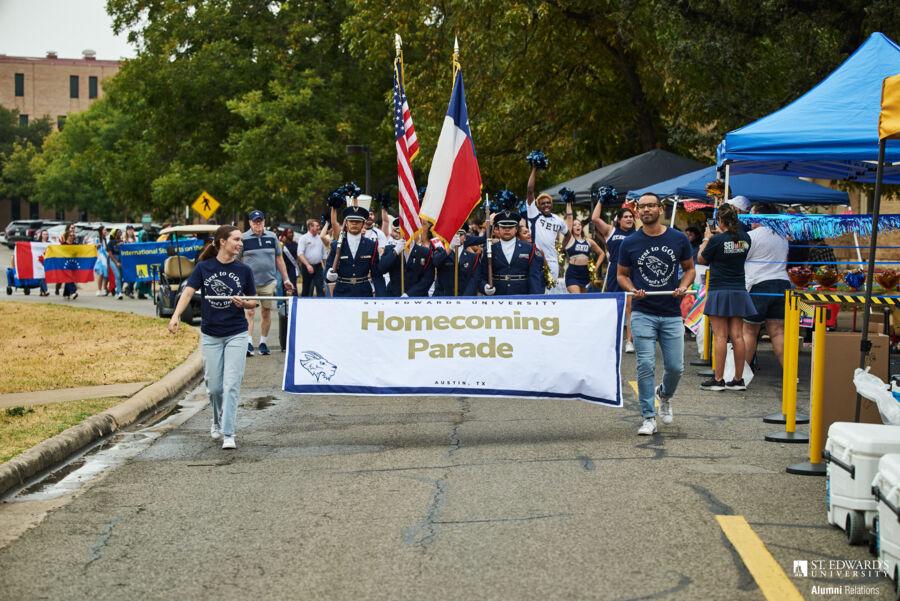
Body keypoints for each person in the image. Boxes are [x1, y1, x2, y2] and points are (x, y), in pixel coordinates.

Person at [168, 225, 257, 450]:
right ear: (222, 242)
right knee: (215, 387)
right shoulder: (204, 267)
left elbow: (253, 301)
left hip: (236, 333)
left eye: (240, 240)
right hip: (211, 335)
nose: (240, 243)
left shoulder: (244, 270)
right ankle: (216, 420)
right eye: (236, 239)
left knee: (231, 385)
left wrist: (243, 303)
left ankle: (229, 433)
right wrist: (176, 315)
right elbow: (188, 291)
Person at [617, 193, 694, 436]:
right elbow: (621, 275)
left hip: (671, 313)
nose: (646, 210)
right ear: (637, 211)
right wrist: (631, 290)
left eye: (651, 205)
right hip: (643, 313)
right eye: (642, 207)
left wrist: (683, 286)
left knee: (675, 368)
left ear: (660, 209)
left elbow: (690, 269)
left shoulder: (678, 238)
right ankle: (649, 417)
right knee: (645, 365)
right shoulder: (629, 243)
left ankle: (665, 395)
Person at [697, 203, 755, 391]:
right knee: (738, 336)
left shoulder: (716, 240)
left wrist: (706, 239)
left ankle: (719, 379)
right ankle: (738, 379)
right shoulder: (746, 238)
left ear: (721, 220)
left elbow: (701, 259)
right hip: (738, 289)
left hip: (719, 289)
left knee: (720, 336)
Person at [741, 203, 791, 373]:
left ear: (759, 216)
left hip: (759, 285)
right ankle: (791, 375)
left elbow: (740, 258)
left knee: (749, 331)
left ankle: (741, 375)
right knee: (778, 332)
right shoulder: (782, 236)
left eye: (752, 215)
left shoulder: (751, 236)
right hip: (782, 284)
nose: (750, 219)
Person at [241, 210, 294, 356]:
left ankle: (263, 342)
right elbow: (237, 261)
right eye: (255, 221)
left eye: (260, 221)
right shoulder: (243, 238)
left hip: (268, 281)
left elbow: (279, 258)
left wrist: (286, 279)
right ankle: (249, 343)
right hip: (249, 283)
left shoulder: (272, 237)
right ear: (250, 223)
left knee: (266, 312)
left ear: (264, 221)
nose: (258, 224)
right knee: (250, 312)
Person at [593, 203, 637, 352]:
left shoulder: (637, 234)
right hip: (614, 272)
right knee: (613, 306)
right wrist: (601, 200)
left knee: (630, 307)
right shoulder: (611, 231)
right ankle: (611, 339)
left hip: (631, 272)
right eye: (626, 217)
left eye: (631, 216)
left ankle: (629, 341)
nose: (629, 219)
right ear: (619, 220)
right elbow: (594, 218)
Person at [471, 210, 545, 296]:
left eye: (510, 227)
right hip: (498, 297)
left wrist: (535, 298)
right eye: (503, 227)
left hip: (522, 296)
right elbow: (481, 276)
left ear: (516, 229)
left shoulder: (530, 249)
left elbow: (535, 276)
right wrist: (484, 287)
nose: (507, 230)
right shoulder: (489, 249)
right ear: (498, 229)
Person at [525, 167, 568, 290]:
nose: (546, 205)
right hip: (536, 259)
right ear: (538, 206)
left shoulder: (558, 219)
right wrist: (534, 168)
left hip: (553, 261)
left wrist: (561, 250)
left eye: (548, 202)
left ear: (552, 204)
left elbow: (568, 234)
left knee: (549, 293)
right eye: (542, 203)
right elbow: (529, 190)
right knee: (536, 291)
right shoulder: (534, 214)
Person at [325, 206, 380, 297]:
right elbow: (328, 268)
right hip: (342, 292)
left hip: (363, 292)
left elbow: (376, 273)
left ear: (363, 223)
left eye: (358, 221)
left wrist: (381, 296)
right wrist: (329, 274)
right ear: (346, 223)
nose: (354, 224)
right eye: (351, 221)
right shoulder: (336, 245)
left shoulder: (371, 245)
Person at [378, 218, 435, 297]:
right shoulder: (390, 249)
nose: (405, 234)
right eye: (402, 231)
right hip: (394, 296)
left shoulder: (424, 252)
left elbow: (428, 278)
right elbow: (381, 269)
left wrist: (409, 294)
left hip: (417, 298)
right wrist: (395, 251)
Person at [563, 201, 605, 293]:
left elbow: (602, 253)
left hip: (585, 273)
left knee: (583, 300)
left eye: (579, 224)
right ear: (572, 228)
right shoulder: (570, 239)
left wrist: (596, 267)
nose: (577, 226)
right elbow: (569, 218)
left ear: (581, 227)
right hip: (572, 273)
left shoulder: (589, 241)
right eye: (574, 225)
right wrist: (569, 203)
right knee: (577, 298)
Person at [432, 226, 481, 297]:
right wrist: (450, 248)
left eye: (460, 234)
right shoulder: (441, 249)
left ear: (465, 237)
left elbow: (474, 278)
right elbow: (436, 262)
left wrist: (465, 297)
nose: (457, 236)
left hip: (462, 296)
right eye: (454, 234)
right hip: (443, 295)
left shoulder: (471, 255)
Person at [296, 219, 326, 297]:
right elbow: (300, 253)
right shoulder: (303, 238)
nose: (319, 227)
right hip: (307, 266)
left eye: (318, 226)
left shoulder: (320, 238)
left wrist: (325, 267)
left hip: (318, 267)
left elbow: (323, 255)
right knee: (307, 288)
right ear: (310, 227)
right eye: (317, 226)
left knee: (320, 288)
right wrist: (307, 265)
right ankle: (305, 306)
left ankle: (321, 306)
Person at [60, 230, 80, 300]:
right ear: (67, 237)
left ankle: (66, 293)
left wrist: (94, 247)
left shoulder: (76, 244)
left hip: (73, 263)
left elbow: (83, 249)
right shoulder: (63, 244)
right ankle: (73, 292)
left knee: (69, 278)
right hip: (65, 264)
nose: (71, 237)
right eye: (70, 236)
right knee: (69, 277)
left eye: (73, 236)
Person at [281, 227, 300, 296]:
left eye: (292, 232)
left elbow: (298, 255)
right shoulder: (282, 245)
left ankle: (295, 299)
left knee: (293, 285)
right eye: (289, 233)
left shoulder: (295, 244)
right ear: (285, 234)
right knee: (283, 285)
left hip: (292, 267)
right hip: (284, 267)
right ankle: (283, 303)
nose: (291, 234)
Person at [107, 228, 124, 299]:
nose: (119, 233)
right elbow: (110, 254)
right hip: (112, 260)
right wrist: (116, 262)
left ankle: (118, 291)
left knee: (121, 277)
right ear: (115, 233)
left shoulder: (122, 242)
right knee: (117, 275)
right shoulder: (111, 242)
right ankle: (119, 292)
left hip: (121, 260)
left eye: (120, 232)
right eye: (118, 232)